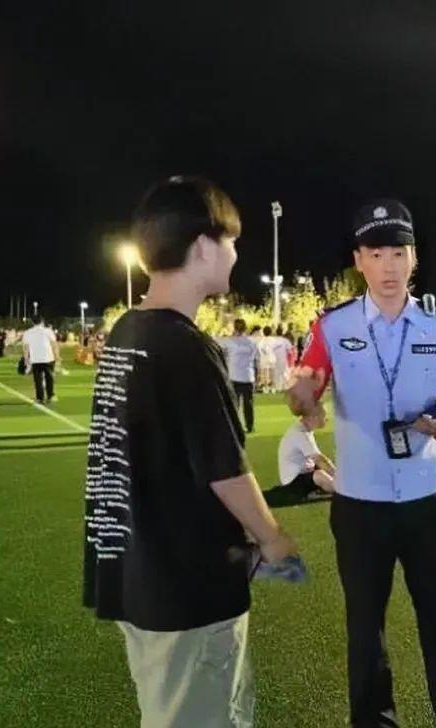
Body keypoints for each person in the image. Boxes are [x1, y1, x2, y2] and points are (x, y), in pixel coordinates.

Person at [83, 176, 299, 728]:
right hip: (186, 588)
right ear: (203, 245)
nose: (235, 255)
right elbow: (225, 469)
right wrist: (273, 537)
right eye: (231, 242)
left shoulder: (127, 332)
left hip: (137, 574)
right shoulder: (184, 347)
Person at [287, 199, 436, 728]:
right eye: (376, 254)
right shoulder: (332, 327)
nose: (389, 266)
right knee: (365, 628)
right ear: (359, 261)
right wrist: (303, 400)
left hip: (423, 501)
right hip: (360, 505)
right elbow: (306, 383)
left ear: (413, 258)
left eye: (398, 253)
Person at [275, 409, 336, 498]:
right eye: (323, 416)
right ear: (314, 417)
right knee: (320, 475)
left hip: (304, 473)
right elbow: (319, 459)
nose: (326, 419)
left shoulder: (305, 430)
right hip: (293, 482)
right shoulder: (300, 433)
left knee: (325, 469)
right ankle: (345, 490)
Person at [218, 318, 259, 433]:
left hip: (234, 376)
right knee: (248, 404)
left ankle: (234, 426)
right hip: (248, 376)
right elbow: (256, 360)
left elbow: (221, 353)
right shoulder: (251, 342)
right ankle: (249, 426)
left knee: (234, 404)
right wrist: (257, 375)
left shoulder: (229, 342)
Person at [22, 315, 59, 404]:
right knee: (49, 378)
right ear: (42, 321)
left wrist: (26, 358)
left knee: (37, 380)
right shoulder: (48, 331)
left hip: (35, 359)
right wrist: (57, 356)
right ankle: (50, 396)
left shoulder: (27, 332)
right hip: (48, 358)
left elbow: (26, 347)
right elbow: (54, 344)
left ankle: (40, 398)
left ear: (32, 322)